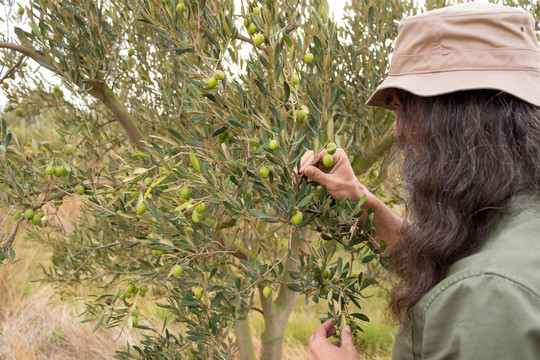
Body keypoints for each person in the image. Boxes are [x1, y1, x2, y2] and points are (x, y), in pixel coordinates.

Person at [302, 3, 540, 359]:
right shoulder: (517, 219)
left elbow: (475, 276)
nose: (398, 130)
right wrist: (361, 201)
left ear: (456, 119)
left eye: (403, 108)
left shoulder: (488, 293)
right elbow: (459, 253)